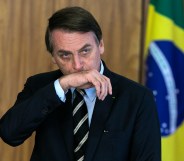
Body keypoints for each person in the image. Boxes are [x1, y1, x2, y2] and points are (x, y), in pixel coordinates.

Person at [0, 6, 161, 161]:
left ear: (101, 45)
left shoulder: (137, 98)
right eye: (65, 55)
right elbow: (9, 134)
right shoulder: (40, 86)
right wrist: (62, 86)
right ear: (53, 58)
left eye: (85, 51)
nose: (77, 65)